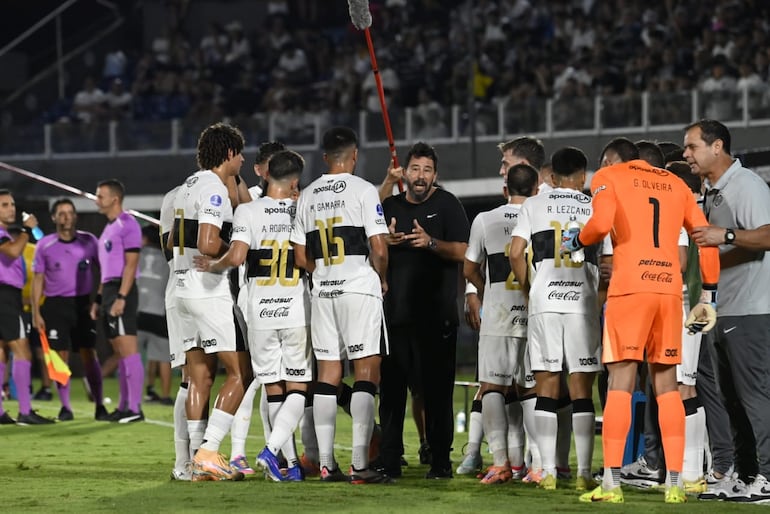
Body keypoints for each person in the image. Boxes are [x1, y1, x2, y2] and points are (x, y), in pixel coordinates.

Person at [563, 146, 720, 504]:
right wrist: (709, 294)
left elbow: (600, 224)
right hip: (668, 291)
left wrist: (576, 240)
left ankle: (612, 484)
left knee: (621, 381)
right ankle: (676, 483)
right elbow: (705, 235)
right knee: (667, 386)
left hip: (630, 289)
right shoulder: (676, 183)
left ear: (609, 161)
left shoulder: (609, 177)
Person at [196, 149, 310, 482]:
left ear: (266, 174)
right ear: (295, 182)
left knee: (273, 388)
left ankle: (289, 465)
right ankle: (271, 451)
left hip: (259, 311)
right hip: (294, 307)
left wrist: (213, 265)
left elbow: (235, 257)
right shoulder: (302, 208)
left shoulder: (247, 211)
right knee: (298, 388)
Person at [290, 126, 389, 484]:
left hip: (323, 291)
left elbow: (300, 256)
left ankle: (326, 464)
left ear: (325, 157)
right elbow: (379, 247)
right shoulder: (364, 190)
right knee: (366, 371)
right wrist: (381, 278)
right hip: (358, 288)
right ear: (355, 155)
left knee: (328, 374)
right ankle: (360, 464)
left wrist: (324, 273)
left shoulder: (307, 195)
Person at [510, 147, 609, 491]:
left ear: (551, 177)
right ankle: (583, 473)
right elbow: (608, 264)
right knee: (581, 389)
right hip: (582, 304)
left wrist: (530, 289)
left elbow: (515, 252)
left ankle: (548, 471)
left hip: (545, 303)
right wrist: (597, 300)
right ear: (584, 177)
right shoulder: (596, 206)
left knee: (547, 385)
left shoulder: (534, 204)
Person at [683, 119, 770, 503]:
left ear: (717, 146)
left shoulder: (746, 184)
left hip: (751, 308)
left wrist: (726, 235)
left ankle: (767, 476)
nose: (686, 154)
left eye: (692, 146)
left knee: (754, 395)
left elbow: (767, 234)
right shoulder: (713, 191)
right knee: (730, 397)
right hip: (724, 308)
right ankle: (746, 474)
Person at [378, 141, 470, 480]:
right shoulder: (389, 205)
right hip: (395, 316)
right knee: (391, 394)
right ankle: (389, 460)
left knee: (437, 394)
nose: (420, 176)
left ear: (435, 174)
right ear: (405, 172)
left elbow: (465, 251)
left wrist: (430, 242)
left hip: (436, 316)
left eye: (427, 170)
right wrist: (383, 241)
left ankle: (440, 461)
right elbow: (368, 238)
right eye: (415, 169)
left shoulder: (448, 204)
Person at [170, 122, 250, 481]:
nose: (243, 160)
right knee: (240, 373)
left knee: (198, 377)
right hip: (208, 290)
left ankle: (193, 463)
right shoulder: (214, 187)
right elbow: (207, 242)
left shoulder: (186, 186)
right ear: (229, 153)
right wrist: (235, 254)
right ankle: (209, 451)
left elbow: (173, 239)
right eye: (240, 153)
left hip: (181, 290)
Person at [464, 163, 539, 484]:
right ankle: (538, 465)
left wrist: (488, 292)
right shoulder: (540, 216)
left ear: (506, 189)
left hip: (498, 315)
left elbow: (469, 269)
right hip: (533, 312)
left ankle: (501, 464)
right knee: (531, 388)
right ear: (537, 190)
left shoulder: (485, 219)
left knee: (492, 386)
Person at [30, 198, 109, 421]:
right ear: (54, 218)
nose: (66, 217)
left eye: (69, 212)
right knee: (59, 357)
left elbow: (105, 270)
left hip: (82, 305)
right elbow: (38, 279)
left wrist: (98, 300)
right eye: (61, 213)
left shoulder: (89, 241)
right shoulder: (45, 245)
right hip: (55, 306)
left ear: (75, 216)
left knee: (89, 355)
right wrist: (36, 312)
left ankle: (99, 405)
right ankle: (65, 407)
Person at [90, 179, 144, 423]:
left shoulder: (127, 224)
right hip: (110, 290)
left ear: (114, 199)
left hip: (123, 290)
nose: (96, 200)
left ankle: (135, 408)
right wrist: (99, 299)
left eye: (100, 196)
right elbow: (106, 270)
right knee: (119, 350)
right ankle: (124, 406)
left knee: (128, 348)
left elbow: (131, 265)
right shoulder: (108, 228)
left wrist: (122, 297)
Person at [0, 191, 53, 425]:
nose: (11, 208)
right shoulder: (3, 235)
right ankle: (25, 410)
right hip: (5, 297)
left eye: (12, 204)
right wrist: (26, 229)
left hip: (6, 296)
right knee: (23, 351)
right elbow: (13, 252)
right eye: (4, 205)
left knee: (1, 352)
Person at [159, 185, 192, 481]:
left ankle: (196, 457)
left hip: (186, 291)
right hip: (191, 291)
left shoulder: (174, 195)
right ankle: (186, 460)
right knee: (192, 377)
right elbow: (173, 247)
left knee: (198, 377)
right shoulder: (196, 192)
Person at [136, 225, 172, 405]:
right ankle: (165, 396)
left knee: (131, 356)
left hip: (138, 311)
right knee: (162, 356)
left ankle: (137, 394)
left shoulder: (136, 255)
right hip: (159, 312)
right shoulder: (167, 258)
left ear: (145, 239)